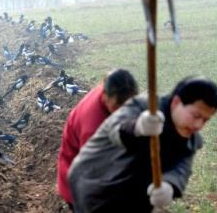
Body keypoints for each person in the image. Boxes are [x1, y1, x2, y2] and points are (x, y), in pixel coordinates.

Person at [68, 76, 217, 213]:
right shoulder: (144, 106)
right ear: (176, 102)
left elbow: (181, 168)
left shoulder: (191, 140)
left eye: (205, 120)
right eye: (196, 116)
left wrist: (169, 185)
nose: (199, 125)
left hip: (135, 195)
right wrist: (137, 127)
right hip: (96, 185)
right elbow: (114, 129)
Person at [57, 68, 139, 209]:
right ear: (106, 96)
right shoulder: (93, 126)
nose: (122, 113)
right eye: (117, 107)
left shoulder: (113, 90)